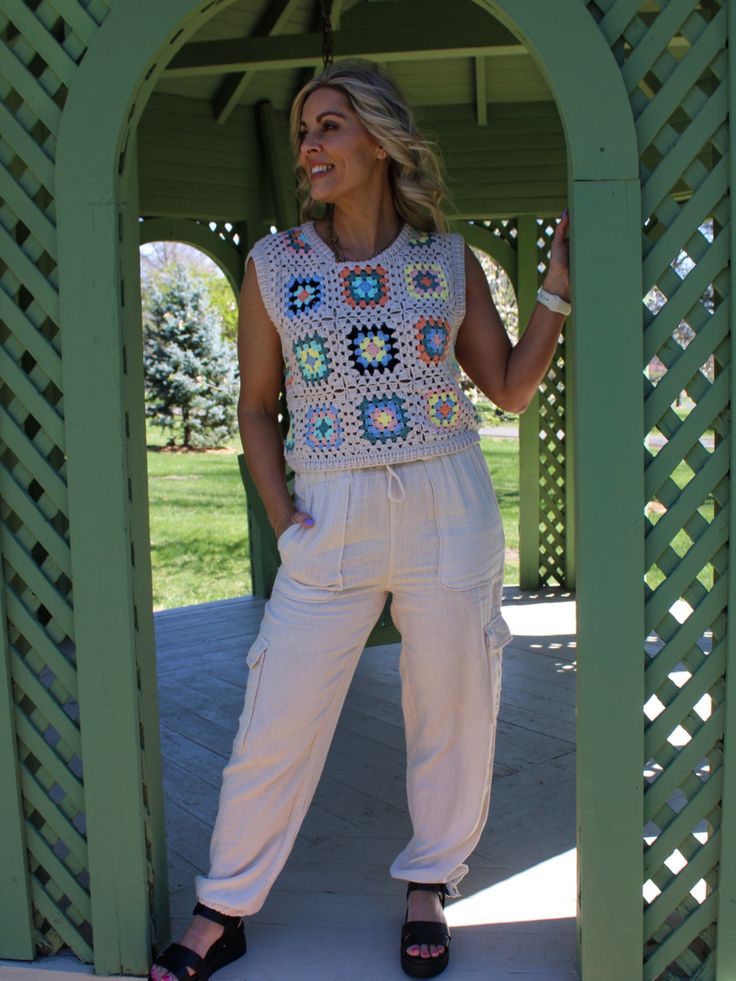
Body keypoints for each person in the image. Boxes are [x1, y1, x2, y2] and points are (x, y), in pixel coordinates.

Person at [149, 60, 570, 981]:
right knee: (276, 715)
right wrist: (286, 522)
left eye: (329, 125)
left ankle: (430, 881)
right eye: (304, 129)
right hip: (327, 516)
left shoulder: (444, 259)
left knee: (454, 706)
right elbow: (256, 407)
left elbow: (505, 385)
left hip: (446, 505)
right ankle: (225, 902)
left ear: (379, 139)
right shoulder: (275, 265)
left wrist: (553, 294)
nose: (309, 145)